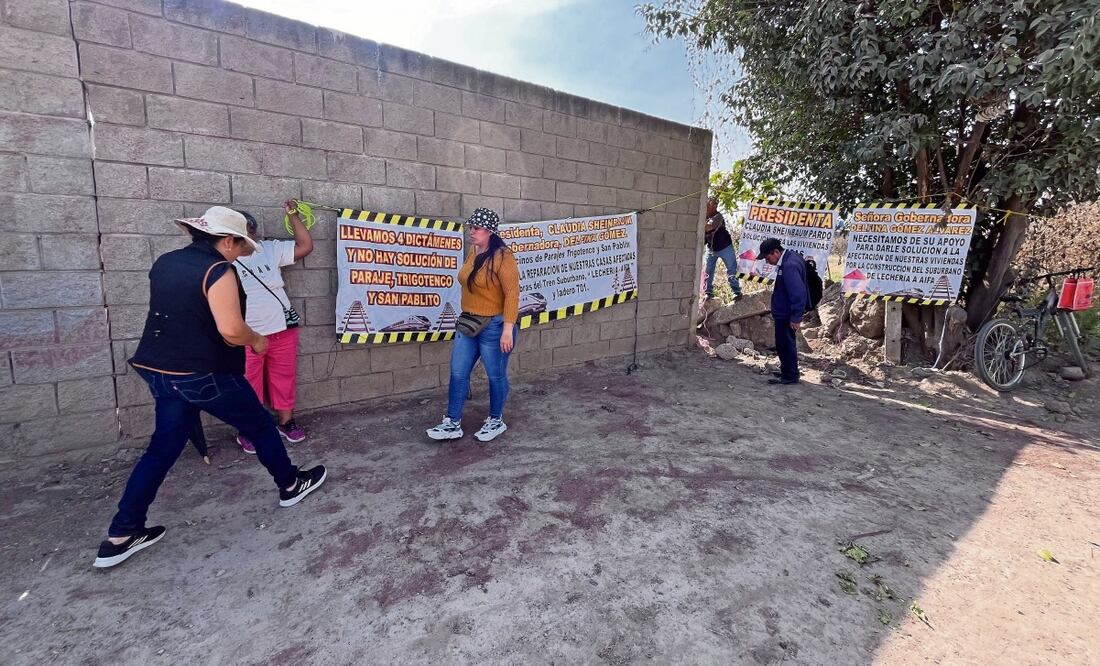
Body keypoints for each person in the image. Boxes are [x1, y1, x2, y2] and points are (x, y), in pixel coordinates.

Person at [93, 207, 326, 569]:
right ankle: (291, 485)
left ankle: (121, 534)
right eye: (239, 244)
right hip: (204, 373)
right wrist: (257, 341)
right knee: (262, 426)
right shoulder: (219, 270)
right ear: (227, 240)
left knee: (162, 449)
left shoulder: (167, 262)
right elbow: (232, 330)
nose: (241, 250)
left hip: (159, 369)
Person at [426, 208, 519, 443]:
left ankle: (496, 419)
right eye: (470, 227)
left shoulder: (503, 256)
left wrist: (508, 329)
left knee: (495, 375)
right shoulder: (473, 250)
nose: (471, 232)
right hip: (469, 323)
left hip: (495, 325)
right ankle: (452, 423)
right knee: (458, 372)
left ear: (489, 231)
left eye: (476, 228)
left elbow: (512, 293)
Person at [232, 201, 314, 453]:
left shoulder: (269, 249)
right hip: (247, 334)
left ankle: (286, 422)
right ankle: (250, 430)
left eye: (245, 232)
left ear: (253, 233)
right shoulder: (222, 259)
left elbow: (305, 246)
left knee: (283, 378)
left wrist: (293, 217)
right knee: (249, 384)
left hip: (282, 328)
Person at [759, 237, 809, 385]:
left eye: (768, 258)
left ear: (776, 252)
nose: (768, 262)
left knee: (785, 344)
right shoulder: (791, 259)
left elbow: (798, 293)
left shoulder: (789, 265)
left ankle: (790, 375)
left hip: (787, 313)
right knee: (785, 344)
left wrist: (795, 317)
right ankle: (787, 371)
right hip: (786, 311)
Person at [702, 196, 743, 301]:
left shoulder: (718, 216)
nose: (708, 205)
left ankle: (736, 292)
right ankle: (708, 293)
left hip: (725, 247)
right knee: (708, 271)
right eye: (709, 203)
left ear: (714, 206)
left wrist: (697, 222)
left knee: (731, 269)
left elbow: (708, 227)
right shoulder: (704, 217)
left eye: (711, 204)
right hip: (711, 249)